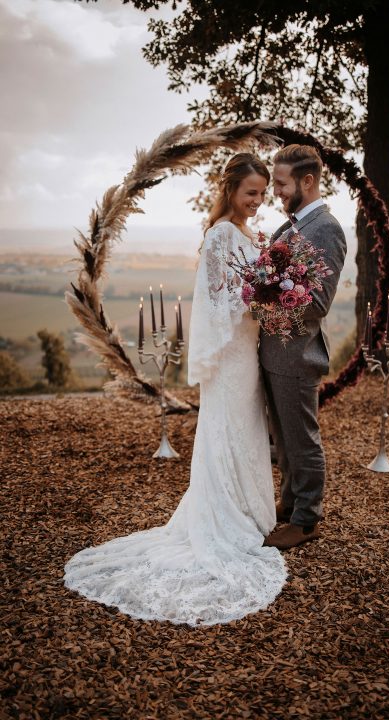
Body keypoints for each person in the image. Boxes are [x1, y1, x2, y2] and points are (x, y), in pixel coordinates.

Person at [64, 153, 287, 626]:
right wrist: (264, 295)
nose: (257, 201)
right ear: (229, 191)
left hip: (247, 348)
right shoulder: (221, 235)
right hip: (230, 353)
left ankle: (251, 513)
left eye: (262, 194)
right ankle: (228, 517)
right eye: (251, 193)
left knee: (247, 429)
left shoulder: (249, 235)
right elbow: (219, 299)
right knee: (228, 427)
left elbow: (245, 289)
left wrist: (274, 291)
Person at [260, 144, 347, 551]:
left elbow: (317, 302)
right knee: (284, 437)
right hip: (276, 351)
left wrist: (265, 294)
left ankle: (307, 519)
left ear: (307, 181)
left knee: (302, 439)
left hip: (297, 353)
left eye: (281, 183)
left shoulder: (325, 228)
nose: (275, 190)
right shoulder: (290, 227)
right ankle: (292, 502)